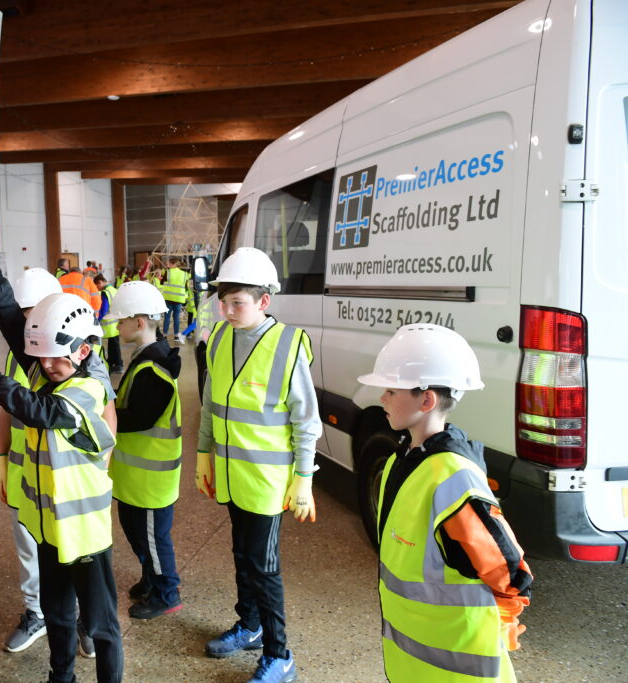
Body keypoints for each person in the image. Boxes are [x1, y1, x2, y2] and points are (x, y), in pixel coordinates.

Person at [0, 207, 122, 682]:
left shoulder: (88, 388)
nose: (44, 366)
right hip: (46, 524)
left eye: (54, 360)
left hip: (83, 533)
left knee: (102, 626)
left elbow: (41, 412)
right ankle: (59, 677)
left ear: (82, 350)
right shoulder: (49, 358)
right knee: (60, 616)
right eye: (39, 358)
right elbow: (8, 315)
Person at [357, 324, 533, 682]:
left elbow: (510, 571)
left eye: (391, 390)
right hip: (414, 662)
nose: (382, 398)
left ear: (427, 400)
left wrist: (502, 617)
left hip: (461, 668)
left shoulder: (453, 478)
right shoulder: (401, 460)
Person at [196, 247, 321, 683]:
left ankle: (279, 653)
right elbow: (211, 403)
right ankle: (248, 626)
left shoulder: (288, 345)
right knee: (241, 555)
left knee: (263, 566)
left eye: (238, 303)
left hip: (269, 483)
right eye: (223, 301)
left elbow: (307, 422)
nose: (227, 311)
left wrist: (303, 479)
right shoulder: (219, 338)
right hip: (231, 475)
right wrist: (202, 456)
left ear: (264, 301)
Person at [0, 267, 61, 654]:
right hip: (23, 471)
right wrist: (0, 457)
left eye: (35, 311)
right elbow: (7, 406)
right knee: (28, 546)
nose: (29, 322)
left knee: (68, 548)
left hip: (63, 475)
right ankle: (37, 613)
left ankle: (78, 614)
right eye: (24, 313)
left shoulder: (74, 344)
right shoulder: (18, 348)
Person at [105, 281, 183, 619]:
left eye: (120, 321)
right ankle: (151, 578)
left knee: (153, 539)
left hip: (151, 479)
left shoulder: (154, 369)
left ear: (138, 322)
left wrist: (104, 412)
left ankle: (167, 593)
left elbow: (138, 417)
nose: (116, 326)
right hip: (136, 477)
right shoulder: (147, 357)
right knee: (138, 533)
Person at [94, 273, 122, 374]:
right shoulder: (114, 290)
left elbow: (103, 310)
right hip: (116, 322)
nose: (97, 289)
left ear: (100, 282)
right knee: (114, 345)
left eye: (97, 286)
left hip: (109, 324)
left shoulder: (105, 293)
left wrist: (97, 319)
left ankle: (117, 365)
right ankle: (115, 364)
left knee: (113, 346)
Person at [160, 258, 189, 339]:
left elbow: (161, 282)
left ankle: (165, 335)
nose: (168, 265)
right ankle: (176, 335)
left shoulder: (167, 272)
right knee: (176, 318)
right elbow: (186, 286)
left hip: (168, 298)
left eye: (169, 263)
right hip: (179, 299)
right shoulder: (184, 274)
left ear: (173, 264)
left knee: (167, 317)